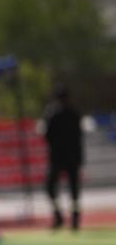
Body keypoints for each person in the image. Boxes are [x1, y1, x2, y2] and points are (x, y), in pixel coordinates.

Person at [43, 85, 84, 230]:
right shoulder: (74, 113)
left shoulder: (53, 114)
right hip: (70, 157)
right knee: (72, 188)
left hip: (59, 157)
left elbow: (47, 136)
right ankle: (71, 217)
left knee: (52, 187)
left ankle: (63, 215)